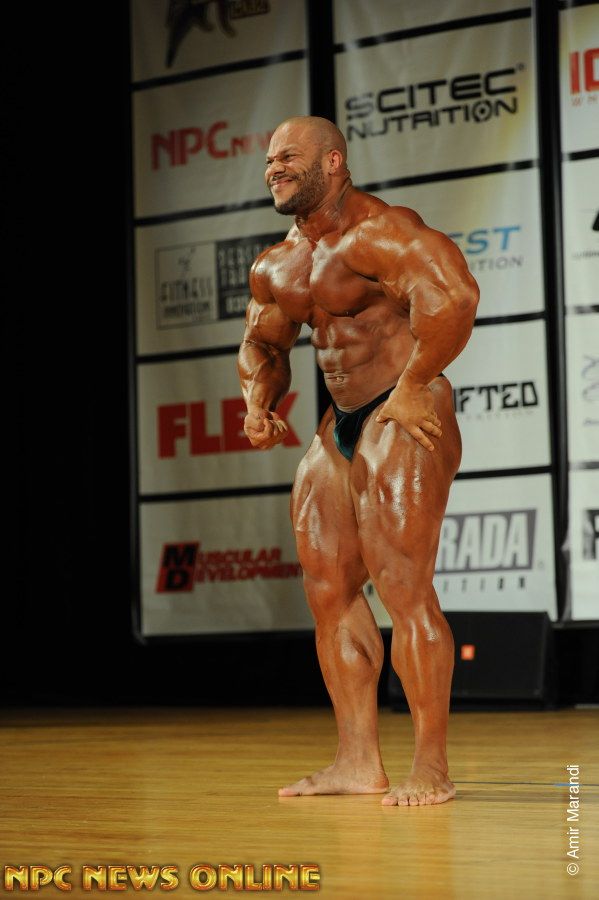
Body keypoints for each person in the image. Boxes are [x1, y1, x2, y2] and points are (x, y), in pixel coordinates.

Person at [238, 116, 479, 806]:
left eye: (288, 157)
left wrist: (414, 383)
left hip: (403, 408)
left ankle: (429, 767)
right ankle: (356, 761)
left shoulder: (383, 232)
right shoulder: (277, 264)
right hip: (338, 422)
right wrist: (258, 401)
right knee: (328, 592)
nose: (274, 169)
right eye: (269, 160)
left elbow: (453, 297)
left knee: (404, 590)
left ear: (333, 163)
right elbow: (264, 344)